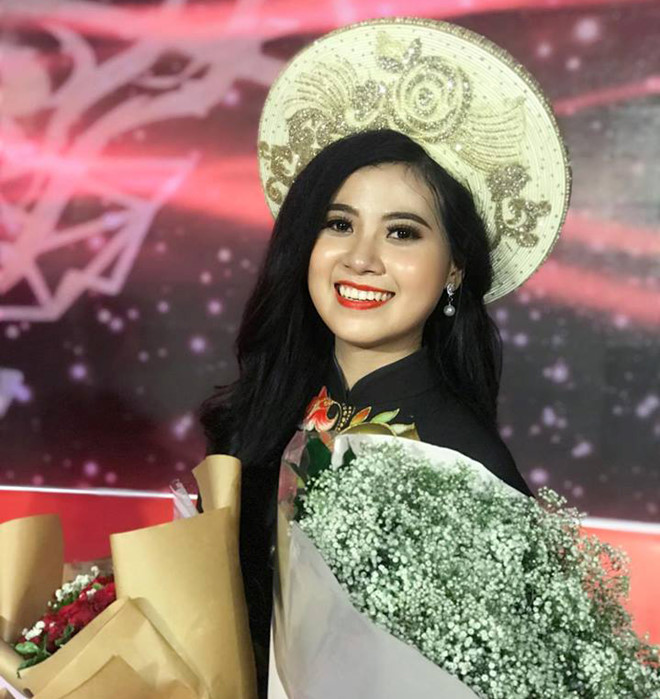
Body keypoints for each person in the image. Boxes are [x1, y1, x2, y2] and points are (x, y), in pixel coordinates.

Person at [198, 18, 570, 698]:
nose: (361, 258)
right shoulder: (283, 412)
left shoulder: (464, 468)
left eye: (402, 232)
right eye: (339, 224)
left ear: (455, 267)